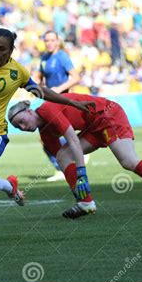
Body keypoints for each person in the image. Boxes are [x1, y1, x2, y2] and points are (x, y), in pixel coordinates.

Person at [0, 28, 94, 223]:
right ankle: (10, 187)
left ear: (11, 50)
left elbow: (40, 91)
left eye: (1, 49)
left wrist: (72, 102)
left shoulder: (18, 72)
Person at [8, 93, 142, 217]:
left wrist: (82, 174)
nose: (24, 127)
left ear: (30, 111)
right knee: (63, 156)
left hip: (108, 115)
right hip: (93, 126)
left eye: (22, 121)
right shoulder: (45, 134)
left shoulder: (47, 110)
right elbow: (65, 162)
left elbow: (73, 140)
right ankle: (86, 203)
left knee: (128, 161)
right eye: (18, 127)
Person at [36, 30, 84, 182]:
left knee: (52, 135)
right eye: (47, 40)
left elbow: (76, 77)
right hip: (50, 101)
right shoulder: (44, 58)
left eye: (52, 40)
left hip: (62, 100)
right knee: (48, 137)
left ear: (57, 41)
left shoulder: (62, 56)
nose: (49, 43)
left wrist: (59, 88)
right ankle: (67, 162)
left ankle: (65, 165)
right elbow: (40, 76)